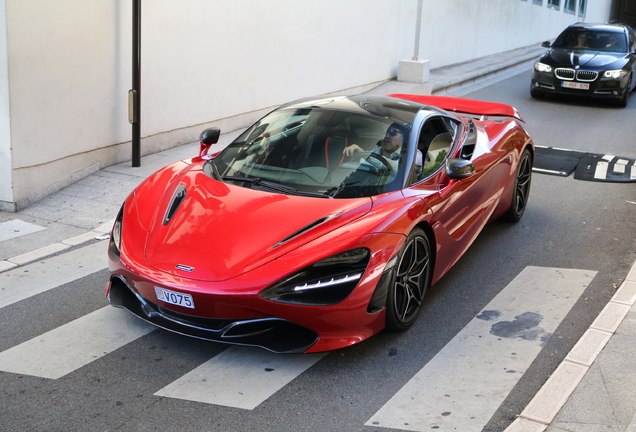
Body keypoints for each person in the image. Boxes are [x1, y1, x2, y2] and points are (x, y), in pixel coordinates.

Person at [343, 125, 422, 174]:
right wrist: (360, 152)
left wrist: (366, 156)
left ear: (404, 137)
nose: (387, 135)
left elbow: (406, 171)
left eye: (392, 132)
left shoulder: (414, 154)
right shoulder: (379, 150)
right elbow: (370, 159)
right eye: (385, 132)